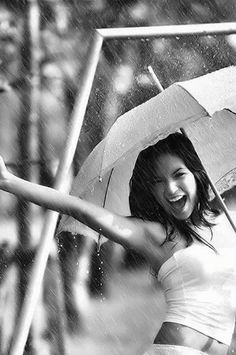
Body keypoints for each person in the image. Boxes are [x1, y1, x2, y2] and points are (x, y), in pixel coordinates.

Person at [0, 132, 236, 355]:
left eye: (179, 174)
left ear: (197, 173)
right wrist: (8, 181)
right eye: (158, 181)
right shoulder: (154, 234)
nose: (171, 189)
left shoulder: (229, 222)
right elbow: (78, 209)